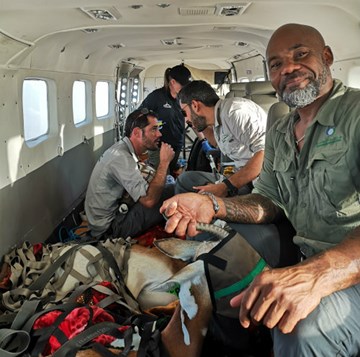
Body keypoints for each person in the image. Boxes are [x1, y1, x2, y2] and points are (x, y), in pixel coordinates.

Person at [160, 23, 360, 356]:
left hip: (348, 272)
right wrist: (213, 206)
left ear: (326, 57)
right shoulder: (282, 129)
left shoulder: (355, 115)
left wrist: (317, 275)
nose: (289, 68)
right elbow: (269, 200)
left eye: (300, 54)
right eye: (276, 63)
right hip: (306, 254)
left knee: (299, 330)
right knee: (218, 249)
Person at [84, 108, 175, 239]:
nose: (159, 134)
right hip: (112, 228)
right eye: (154, 129)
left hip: (110, 217)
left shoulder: (122, 149)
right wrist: (164, 162)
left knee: (169, 180)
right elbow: (149, 201)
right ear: (137, 133)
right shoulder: (121, 157)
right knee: (172, 189)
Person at [176, 80, 267, 197]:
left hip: (258, 181)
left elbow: (264, 154)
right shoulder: (218, 118)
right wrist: (197, 124)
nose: (185, 119)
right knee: (187, 180)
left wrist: (225, 187)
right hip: (240, 175)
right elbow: (216, 142)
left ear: (195, 105)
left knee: (186, 183)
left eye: (184, 113)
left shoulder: (235, 113)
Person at [138, 64, 192, 177]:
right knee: (161, 176)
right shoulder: (156, 97)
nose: (185, 89)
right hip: (158, 145)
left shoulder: (183, 98)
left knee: (170, 175)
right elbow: (139, 116)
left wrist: (203, 141)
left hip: (176, 144)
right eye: (182, 85)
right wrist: (151, 127)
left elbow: (191, 119)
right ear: (172, 82)